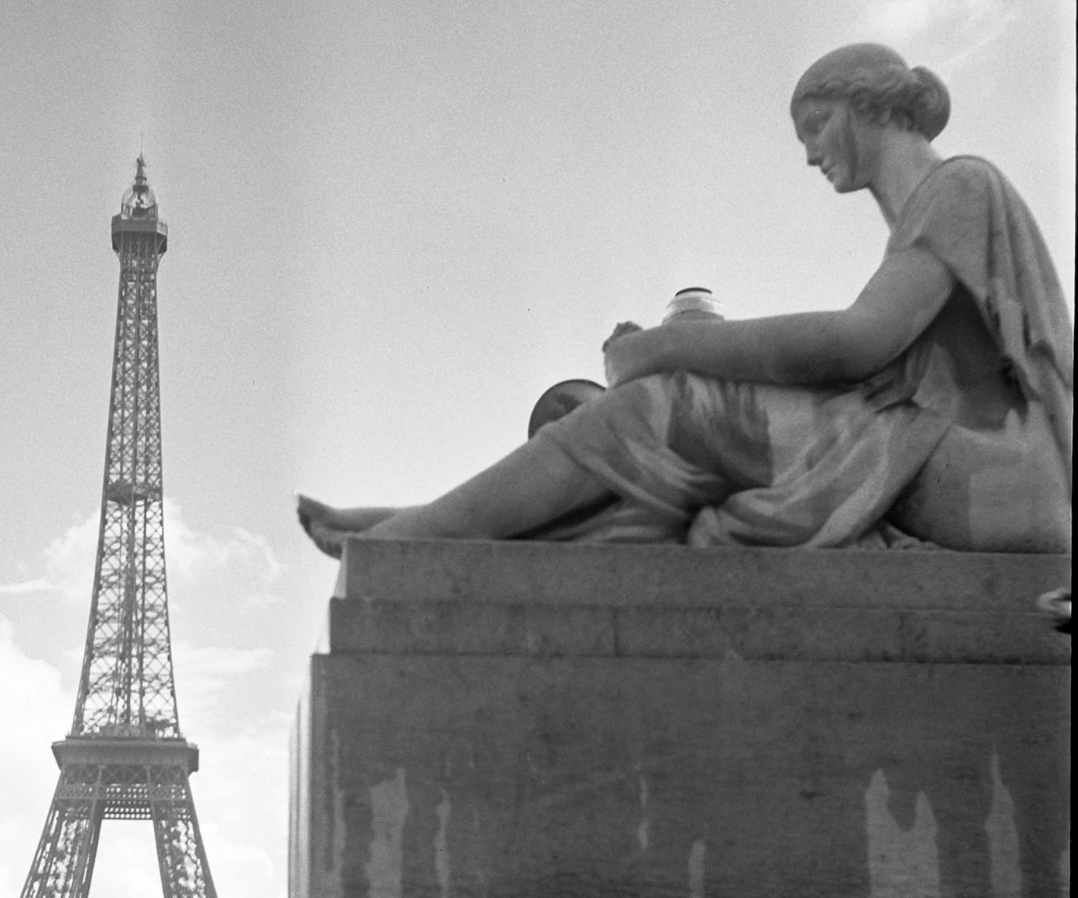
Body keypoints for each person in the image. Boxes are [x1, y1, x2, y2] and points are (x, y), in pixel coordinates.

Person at [299, 44, 1071, 555]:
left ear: (865, 104)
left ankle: (429, 531)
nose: (809, 153)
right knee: (674, 451)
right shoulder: (933, 211)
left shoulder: (959, 185)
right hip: (956, 465)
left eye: (815, 124)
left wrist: (661, 347)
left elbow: (855, 345)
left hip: (995, 479)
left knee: (675, 406)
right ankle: (446, 526)